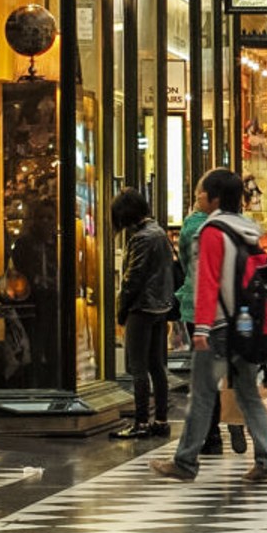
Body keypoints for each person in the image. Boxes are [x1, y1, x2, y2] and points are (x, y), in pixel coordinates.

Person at [160, 170, 267, 485]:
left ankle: (185, 461)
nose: (198, 198)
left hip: (218, 326)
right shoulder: (248, 228)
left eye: (201, 193)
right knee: (247, 393)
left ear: (214, 198)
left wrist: (201, 327)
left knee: (201, 394)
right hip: (246, 324)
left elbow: (208, 281)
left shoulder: (211, 230)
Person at [107, 188, 175, 440]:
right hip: (161, 307)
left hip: (142, 307)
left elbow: (132, 278)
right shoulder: (159, 233)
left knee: (138, 367)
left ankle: (141, 422)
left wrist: (121, 308)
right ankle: (161, 419)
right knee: (157, 366)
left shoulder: (142, 238)